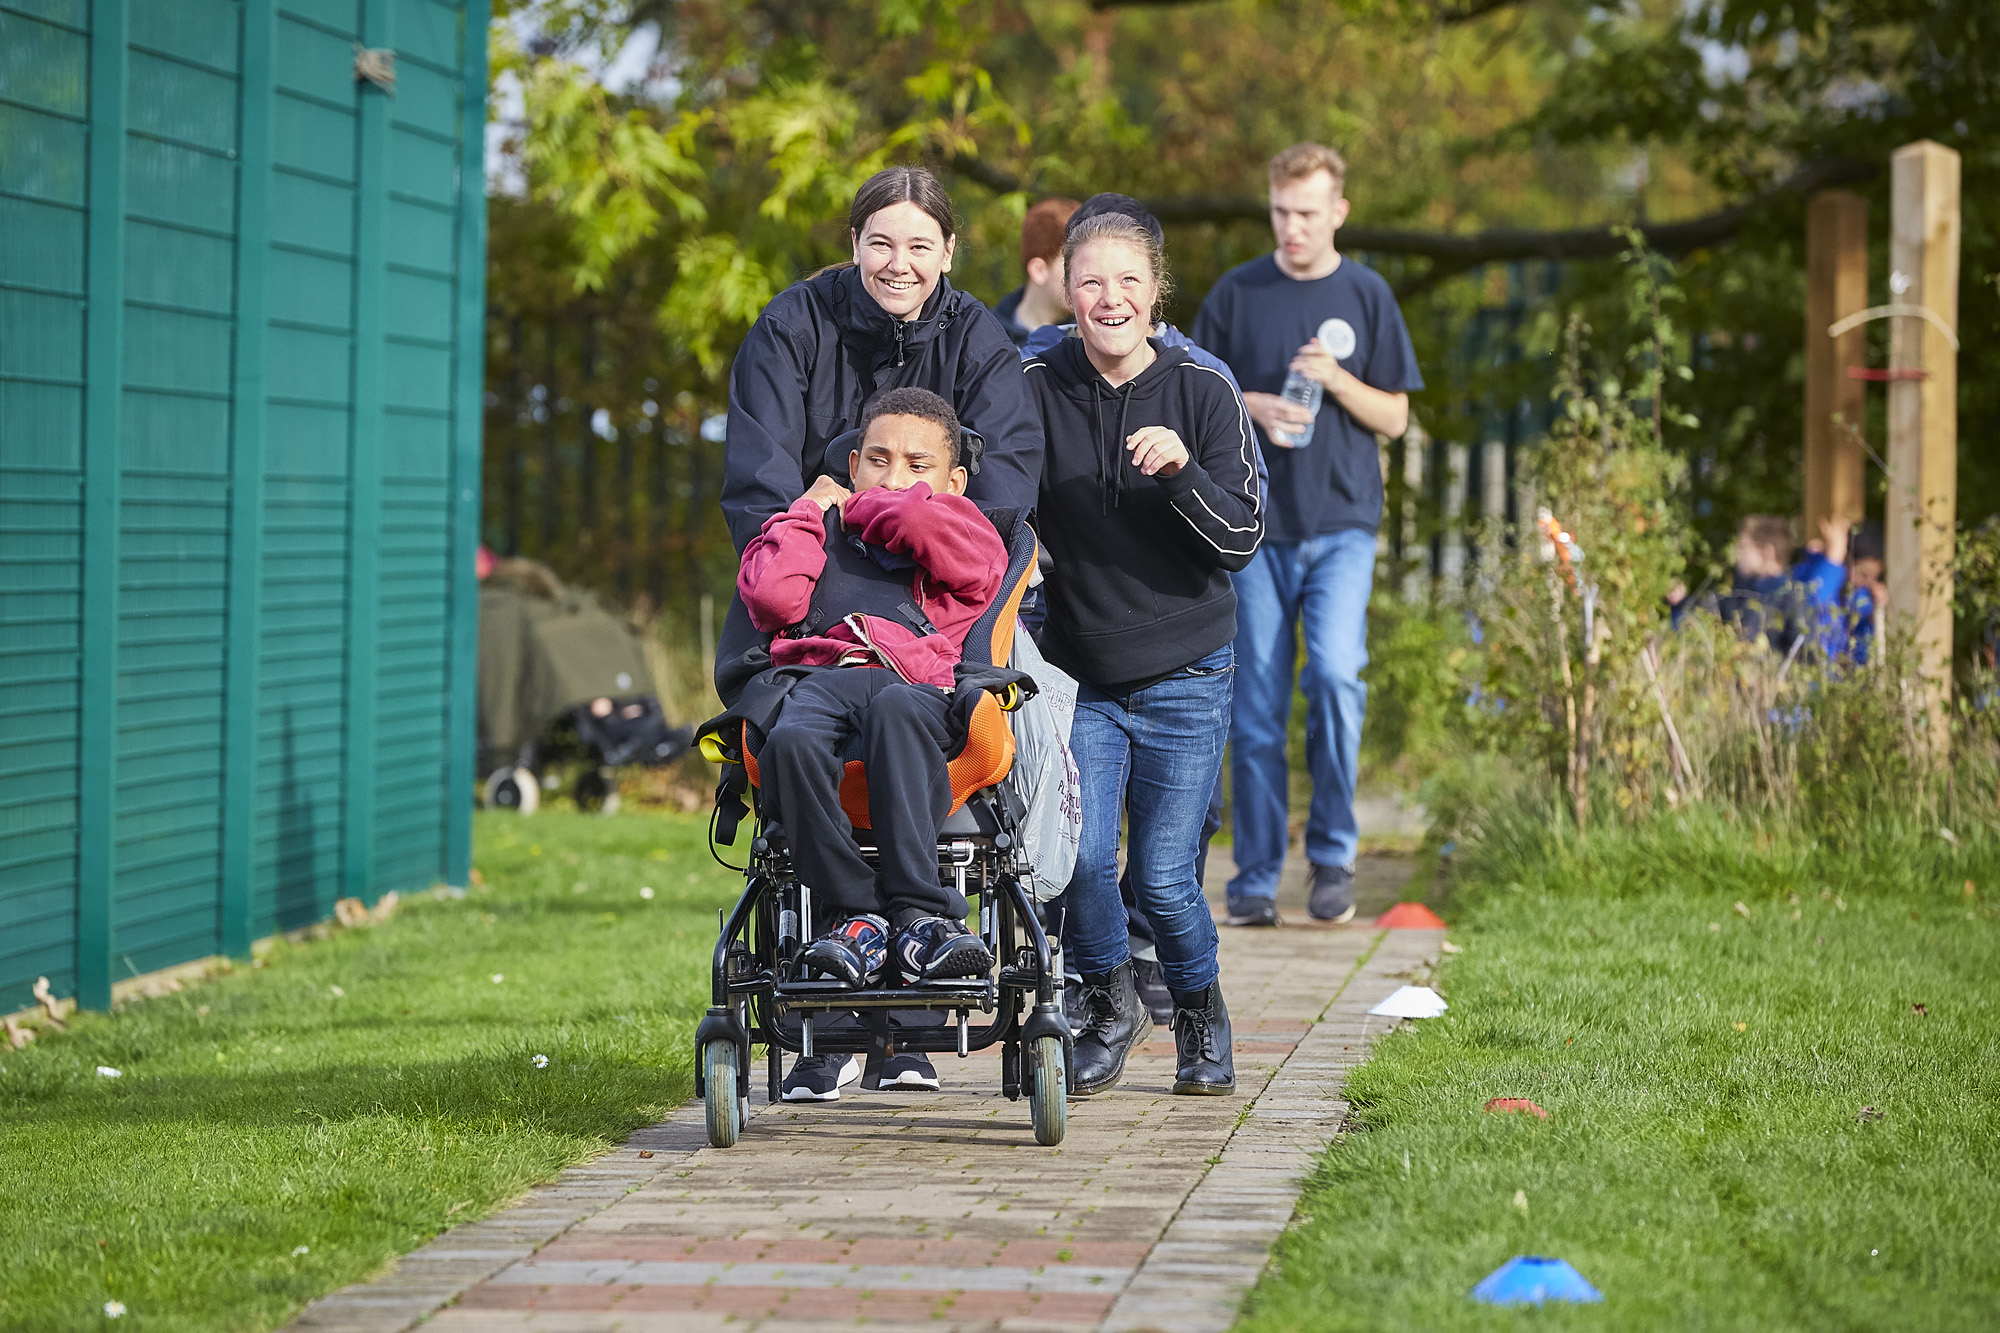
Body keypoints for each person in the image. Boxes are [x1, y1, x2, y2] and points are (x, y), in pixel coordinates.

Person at [720, 165, 1045, 1100]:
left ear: (949, 252)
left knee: (910, 711)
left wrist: (909, 522)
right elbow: (758, 473)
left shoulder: (978, 340)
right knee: (789, 730)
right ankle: (834, 1009)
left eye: (918, 245)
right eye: (879, 242)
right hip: (816, 579)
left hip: (930, 601)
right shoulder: (793, 327)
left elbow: (1005, 485)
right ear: (852, 242)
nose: (897, 263)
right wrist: (816, 523)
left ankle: (904, 1023)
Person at [1026, 212, 1264, 1098]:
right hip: (1082, 673)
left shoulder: (1203, 388)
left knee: (1163, 880)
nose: (1109, 298)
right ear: (1066, 290)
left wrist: (1179, 475)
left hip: (1189, 672)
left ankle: (1200, 1010)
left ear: (1156, 291)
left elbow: (1240, 539)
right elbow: (984, 480)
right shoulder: (1035, 380)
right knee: (1080, 861)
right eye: (1091, 281)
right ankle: (1108, 1001)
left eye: (1128, 281)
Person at [1192, 143, 1422, 928]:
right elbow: (1193, 399)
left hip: (1342, 525)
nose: (1292, 227)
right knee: (1254, 703)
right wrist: (1250, 405)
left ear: (1339, 212)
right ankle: (1256, 876)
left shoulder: (1366, 294)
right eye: (1281, 212)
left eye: (1308, 213)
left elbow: (1395, 415)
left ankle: (1333, 859)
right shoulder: (1235, 293)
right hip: (1252, 530)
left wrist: (1338, 381)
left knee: (1332, 676)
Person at [738, 389, 1007, 1026]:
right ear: (852, 462)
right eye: (879, 460)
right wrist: (807, 512)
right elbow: (775, 600)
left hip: (914, 679)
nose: (896, 478)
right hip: (824, 675)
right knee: (791, 744)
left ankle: (921, 916)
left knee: (896, 711)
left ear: (955, 481)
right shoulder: (812, 527)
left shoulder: (964, 528)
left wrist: (860, 503)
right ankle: (853, 914)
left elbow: (919, 525)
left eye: (919, 467)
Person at [994, 197, 1081, 348]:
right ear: (1039, 271)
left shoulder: (1091, 342)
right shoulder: (982, 337)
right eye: (1076, 263)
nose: (1088, 276)